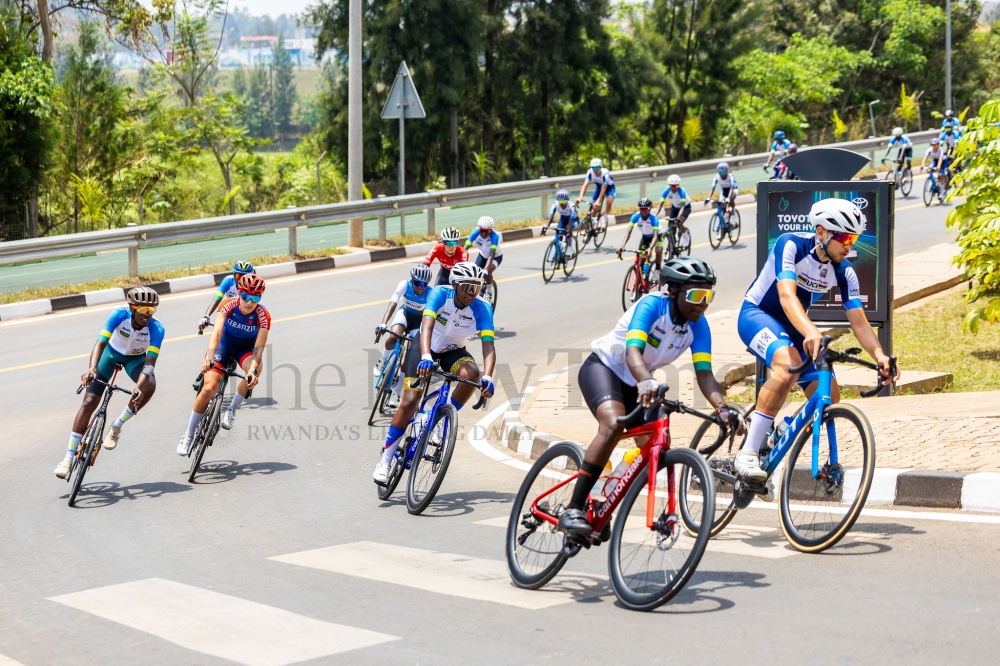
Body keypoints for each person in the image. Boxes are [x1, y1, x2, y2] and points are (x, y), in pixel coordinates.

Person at [556, 257, 743, 535]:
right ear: (673, 292)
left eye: (709, 296)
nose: (703, 303)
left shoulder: (699, 327)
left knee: (657, 445)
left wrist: (723, 407)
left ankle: (604, 492)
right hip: (604, 368)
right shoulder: (651, 305)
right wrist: (646, 381)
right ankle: (574, 507)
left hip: (640, 382)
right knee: (613, 424)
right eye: (696, 295)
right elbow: (633, 352)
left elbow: (705, 374)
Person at [734, 198, 898, 480]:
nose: (850, 246)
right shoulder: (790, 244)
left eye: (854, 238)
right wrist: (811, 330)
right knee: (787, 367)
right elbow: (786, 296)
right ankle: (747, 453)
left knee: (829, 395)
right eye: (845, 237)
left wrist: (880, 356)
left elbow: (858, 322)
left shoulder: (844, 271)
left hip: (795, 326)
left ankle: (779, 434)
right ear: (821, 232)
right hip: (757, 314)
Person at [373, 262, 497, 483]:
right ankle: (385, 460)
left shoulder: (482, 307)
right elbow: (427, 327)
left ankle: (437, 418)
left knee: (473, 375)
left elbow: (488, 345)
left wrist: (488, 376)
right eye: (467, 287)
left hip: (454, 351)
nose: (472, 293)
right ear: (455, 285)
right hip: (424, 346)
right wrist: (426, 356)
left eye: (476, 288)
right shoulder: (440, 293)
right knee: (410, 401)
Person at [55, 286, 164, 478]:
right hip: (111, 355)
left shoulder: (157, 329)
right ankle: (68, 458)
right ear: (131, 307)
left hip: (135, 360)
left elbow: (149, 364)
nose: (148, 315)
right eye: (143, 310)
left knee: (150, 385)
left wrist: (138, 386)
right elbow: (100, 343)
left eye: (152, 310)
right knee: (89, 402)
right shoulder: (118, 315)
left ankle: (117, 425)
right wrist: (91, 369)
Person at [178, 274, 270, 455]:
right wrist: (208, 358)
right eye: (246, 296)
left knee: (257, 370)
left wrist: (251, 370)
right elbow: (217, 333)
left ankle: (231, 409)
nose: (250, 302)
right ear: (239, 294)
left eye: (255, 298)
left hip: (246, 350)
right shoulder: (228, 305)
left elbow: (259, 348)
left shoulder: (263, 315)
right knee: (209, 388)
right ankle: (188, 435)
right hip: (224, 346)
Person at [373, 264, 433, 409]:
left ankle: (396, 392)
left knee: (410, 356)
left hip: (418, 322)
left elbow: (431, 316)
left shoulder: (430, 293)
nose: (421, 287)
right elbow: (392, 304)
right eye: (418, 283)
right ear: (412, 281)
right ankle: (383, 361)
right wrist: (383, 323)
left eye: (425, 284)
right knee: (394, 337)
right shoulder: (404, 285)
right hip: (404, 314)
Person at [198, 261, 255, 334]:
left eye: (245, 276)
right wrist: (206, 316)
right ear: (234, 275)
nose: (241, 279)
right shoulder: (228, 281)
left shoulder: (254, 285)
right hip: (231, 314)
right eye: (238, 276)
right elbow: (217, 299)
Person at [617, 197, 662, 281]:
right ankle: (641, 282)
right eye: (641, 208)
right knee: (642, 258)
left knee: (658, 251)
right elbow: (628, 232)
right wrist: (622, 246)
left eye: (645, 209)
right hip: (645, 237)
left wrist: (650, 248)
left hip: (657, 236)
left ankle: (657, 270)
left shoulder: (653, 219)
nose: (643, 211)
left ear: (649, 209)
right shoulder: (635, 216)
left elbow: (655, 236)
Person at [654, 174, 691, 252]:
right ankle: (672, 242)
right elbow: (660, 204)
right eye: (672, 186)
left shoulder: (682, 191)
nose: (673, 188)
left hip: (685, 208)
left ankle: (686, 237)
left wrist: (678, 217)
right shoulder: (666, 190)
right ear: (669, 185)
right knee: (671, 226)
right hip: (674, 208)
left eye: (676, 186)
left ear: (678, 185)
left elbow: (682, 207)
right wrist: (655, 215)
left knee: (679, 223)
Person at [465, 216, 503, 286]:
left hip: (496, 257)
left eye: (487, 231)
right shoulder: (475, 233)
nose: (484, 233)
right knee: (475, 275)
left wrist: (485, 270)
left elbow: (491, 254)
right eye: (482, 230)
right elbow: (465, 249)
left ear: (491, 230)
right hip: (482, 255)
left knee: (487, 272)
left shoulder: (495, 237)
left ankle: (489, 290)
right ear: (479, 229)